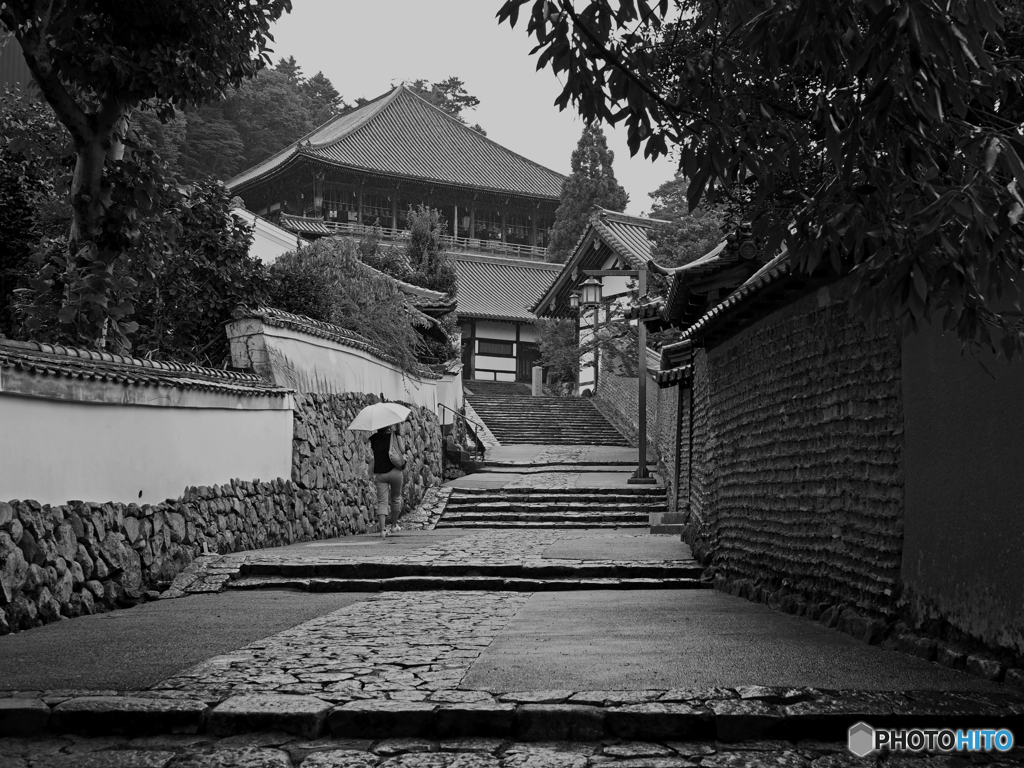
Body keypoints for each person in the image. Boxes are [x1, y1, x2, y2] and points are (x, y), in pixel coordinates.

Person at [369, 423, 404, 539]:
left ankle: (383, 530)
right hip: (395, 471)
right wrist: (397, 433)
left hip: (380, 474)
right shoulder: (395, 435)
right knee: (395, 499)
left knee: (382, 502)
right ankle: (394, 526)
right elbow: (402, 450)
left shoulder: (373, 438)